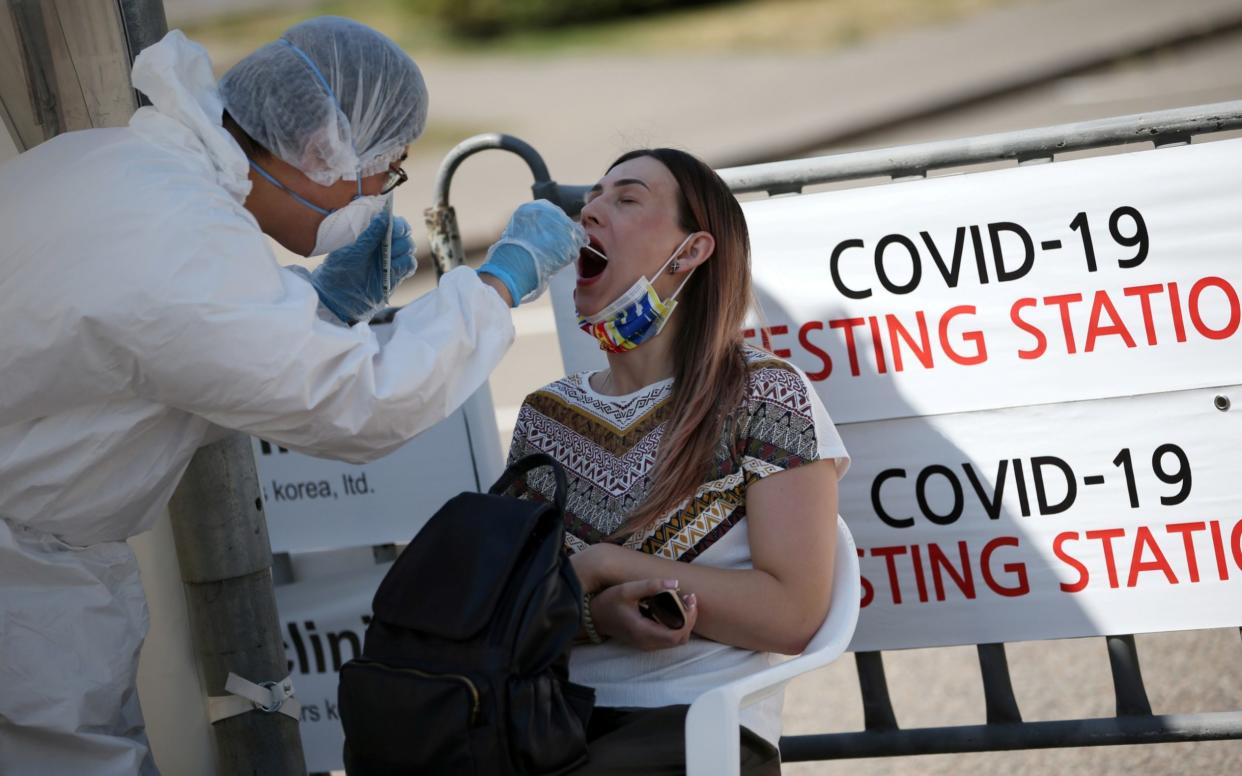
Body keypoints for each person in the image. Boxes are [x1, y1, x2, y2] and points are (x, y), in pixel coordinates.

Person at [0, 17, 583, 774]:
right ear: (320, 152)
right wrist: (500, 282)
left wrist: (320, 311)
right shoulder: (185, 240)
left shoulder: (112, 166)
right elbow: (360, 404)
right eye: (386, 173)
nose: (380, 196)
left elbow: (178, 363)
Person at [506, 148, 851, 774]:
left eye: (626, 198)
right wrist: (596, 612)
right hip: (548, 722)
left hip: (699, 727)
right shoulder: (544, 415)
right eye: (592, 200)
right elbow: (512, 609)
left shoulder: (765, 392)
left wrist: (605, 564)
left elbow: (793, 616)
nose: (591, 214)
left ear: (690, 252)